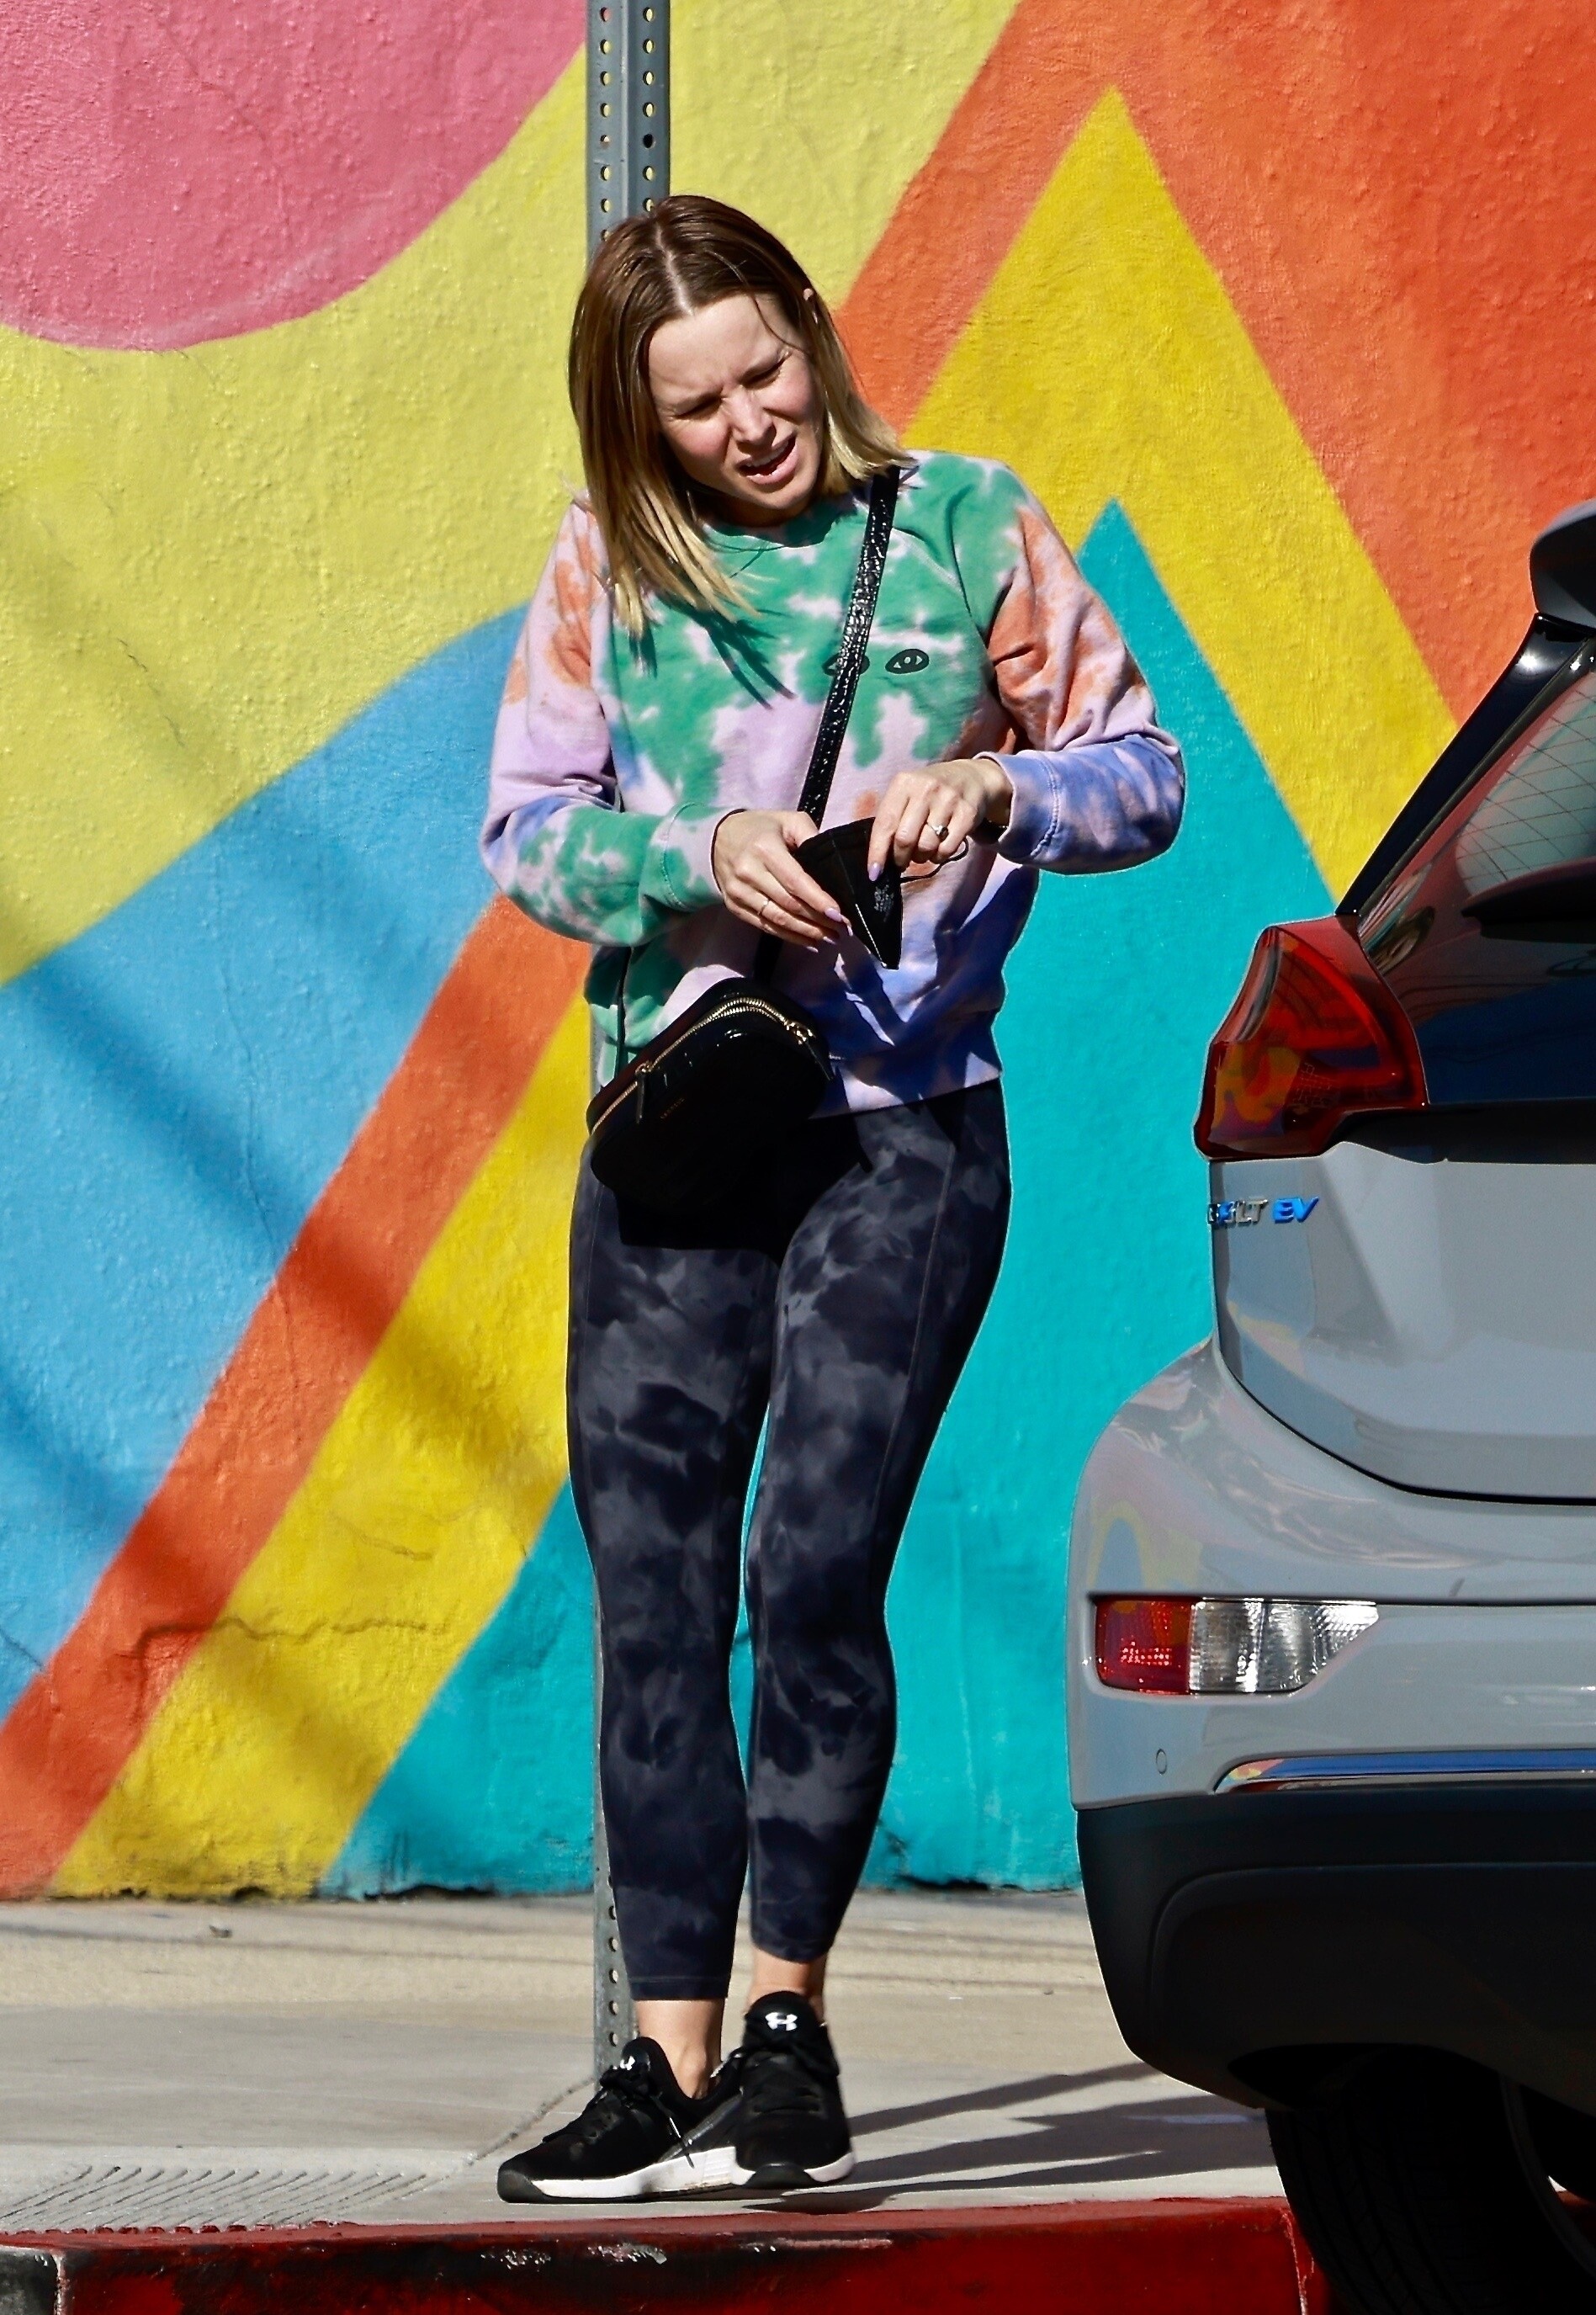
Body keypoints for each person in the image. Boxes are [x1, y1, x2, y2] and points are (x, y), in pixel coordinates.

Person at [482, 194, 1183, 2202]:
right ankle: (661, 2058)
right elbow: (524, 834)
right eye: (695, 406)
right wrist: (696, 850)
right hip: (686, 1139)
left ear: (809, 328)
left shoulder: (963, 523)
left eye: (763, 371)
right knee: (653, 1601)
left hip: (902, 1133)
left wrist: (1005, 787)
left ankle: (786, 2030)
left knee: (811, 1567)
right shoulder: (614, 564)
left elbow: (1142, 769)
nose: (749, 425)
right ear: (640, 421)